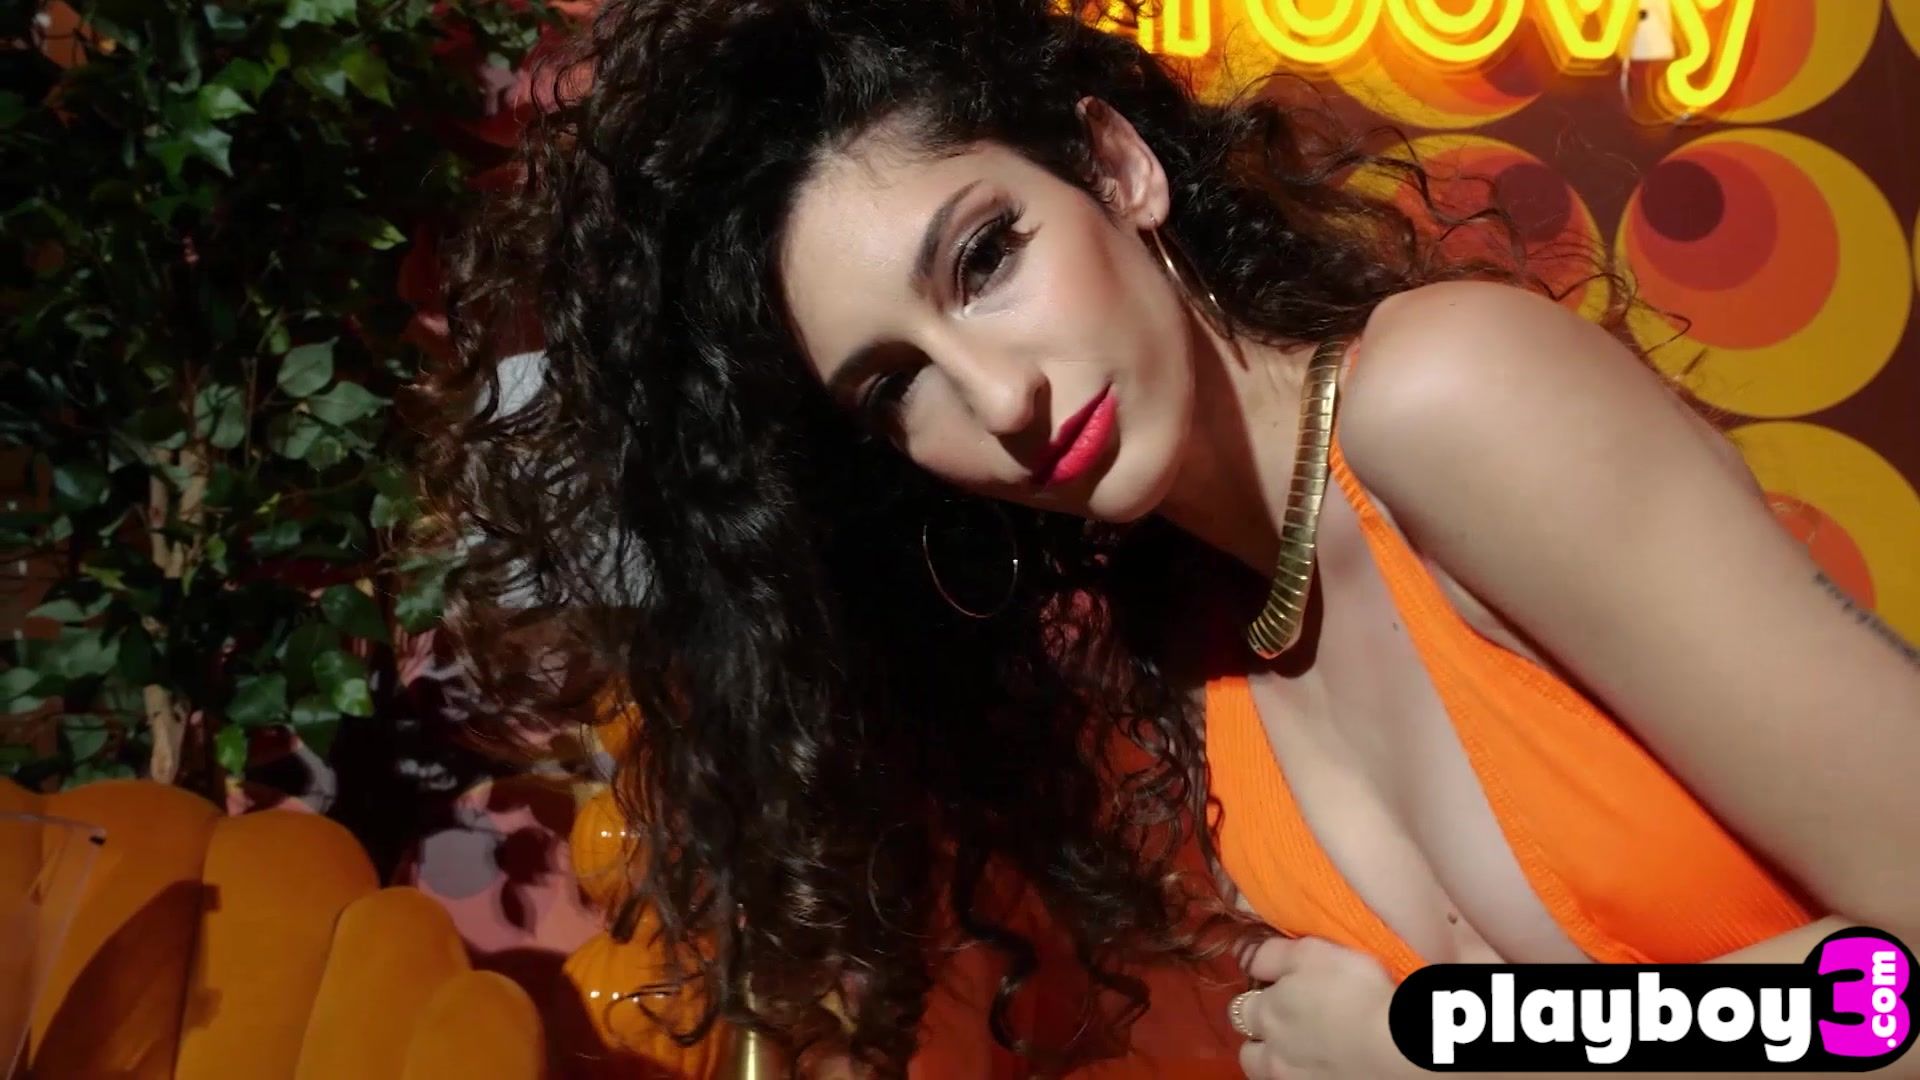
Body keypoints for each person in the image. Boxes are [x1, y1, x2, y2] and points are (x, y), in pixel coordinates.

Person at [415, 0, 1920, 1076]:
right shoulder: (1204, 655)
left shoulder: (1442, 399)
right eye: (896, 387)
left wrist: (1459, 1039)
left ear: (1115, 166)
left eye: (985, 257)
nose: (997, 397)